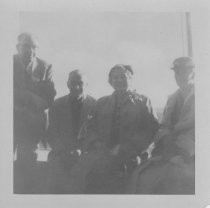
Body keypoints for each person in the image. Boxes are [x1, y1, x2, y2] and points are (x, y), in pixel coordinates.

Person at [70, 64, 159, 194]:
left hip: (131, 154)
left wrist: (126, 147)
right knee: (81, 175)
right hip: (102, 153)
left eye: (123, 76)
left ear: (130, 78)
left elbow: (151, 129)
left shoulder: (143, 101)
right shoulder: (101, 102)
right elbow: (89, 127)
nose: (119, 80)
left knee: (129, 183)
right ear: (110, 81)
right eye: (115, 77)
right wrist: (96, 143)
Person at [130, 57, 195, 194]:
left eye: (184, 72)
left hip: (194, 149)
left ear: (193, 73)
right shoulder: (171, 98)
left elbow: (193, 121)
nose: (180, 76)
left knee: (177, 178)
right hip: (170, 147)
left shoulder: (203, 94)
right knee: (141, 176)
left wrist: (171, 132)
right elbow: (164, 126)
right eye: (177, 72)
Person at [13, 32, 56, 193]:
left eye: (34, 47)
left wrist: (19, 96)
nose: (30, 50)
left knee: (27, 162)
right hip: (7, 122)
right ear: (18, 47)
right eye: (26, 46)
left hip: (31, 125)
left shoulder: (45, 67)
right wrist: (29, 96)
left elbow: (48, 98)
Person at [47, 70, 96, 194]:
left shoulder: (95, 105)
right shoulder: (57, 104)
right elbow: (52, 133)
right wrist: (63, 151)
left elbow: (95, 134)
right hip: (60, 153)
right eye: (72, 83)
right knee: (56, 174)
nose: (76, 87)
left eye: (80, 83)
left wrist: (81, 150)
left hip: (85, 154)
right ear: (67, 84)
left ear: (87, 84)